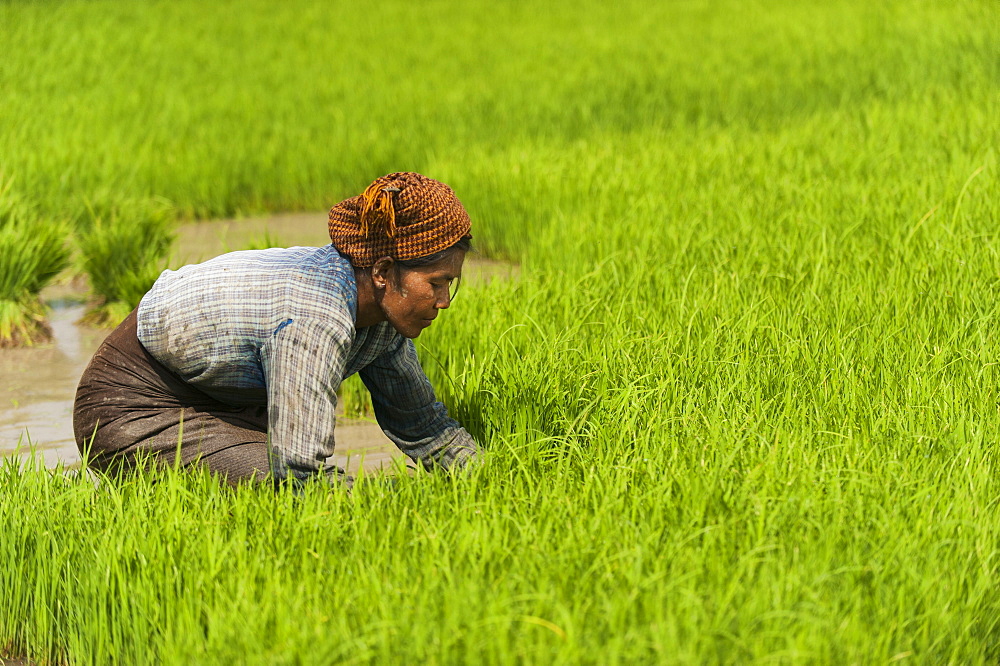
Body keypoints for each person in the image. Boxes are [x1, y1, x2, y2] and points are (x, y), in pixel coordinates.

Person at [73, 172, 479, 487]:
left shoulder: (381, 318)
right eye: (436, 283)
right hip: (133, 410)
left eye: (450, 285)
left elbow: (423, 426)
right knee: (286, 492)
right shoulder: (314, 316)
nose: (443, 302)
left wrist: (492, 477)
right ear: (383, 272)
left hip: (222, 402)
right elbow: (300, 473)